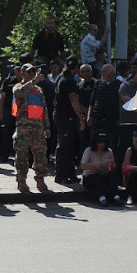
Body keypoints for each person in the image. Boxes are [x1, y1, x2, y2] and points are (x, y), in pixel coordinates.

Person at [12, 63, 51, 192]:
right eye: (28, 72)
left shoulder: (39, 90)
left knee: (41, 155)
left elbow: (43, 108)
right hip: (24, 126)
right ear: (22, 73)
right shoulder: (18, 86)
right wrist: (33, 81)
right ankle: (21, 180)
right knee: (21, 155)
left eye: (33, 72)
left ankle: (40, 179)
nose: (31, 74)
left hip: (38, 127)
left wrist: (47, 126)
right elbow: (18, 94)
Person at [53, 56, 84, 184]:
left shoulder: (60, 77)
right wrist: (81, 117)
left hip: (59, 115)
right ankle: (60, 175)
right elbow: (74, 101)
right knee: (65, 146)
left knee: (68, 145)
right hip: (65, 117)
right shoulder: (69, 80)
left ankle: (70, 173)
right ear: (76, 68)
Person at [87, 64, 121, 151]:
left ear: (111, 74)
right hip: (97, 118)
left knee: (111, 144)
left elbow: (121, 103)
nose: (102, 74)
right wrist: (89, 115)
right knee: (94, 142)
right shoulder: (98, 83)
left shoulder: (119, 85)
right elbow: (92, 101)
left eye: (104, 73)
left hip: (112, 120)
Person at [81, 132, 121, 206]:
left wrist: (111, 165)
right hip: (89, 176)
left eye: (104, 142)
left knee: (112, 177)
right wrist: (95, 165)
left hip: (104, 174)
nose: (102, 144)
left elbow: (113, 168)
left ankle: (115, 196)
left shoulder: (109, 152)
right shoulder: (89, 150)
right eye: (100, 142)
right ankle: (101, 198)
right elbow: (82, 166)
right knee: (97, 178)